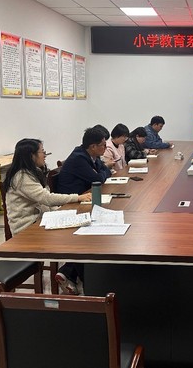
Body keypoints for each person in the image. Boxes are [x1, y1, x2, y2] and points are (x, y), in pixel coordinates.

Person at [54, 125, 112, 294]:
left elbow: (103, 170)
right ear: (92, 146)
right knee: (96, 228)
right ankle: (90, 279)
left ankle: (68, 272)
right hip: (72, 203)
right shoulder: (79, 158)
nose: (105, 147)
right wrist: (102, 172)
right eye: (103, 144)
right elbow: (98, 178)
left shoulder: (91, 155)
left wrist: (102, 171)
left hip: (84, 197)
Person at [3, 138, 91, 236]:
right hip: (27, 229)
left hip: (41, 220)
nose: (45, 155)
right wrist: (77, 197)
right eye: (42, 152)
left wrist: (60, 212)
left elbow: (45, 202)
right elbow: (46, 198)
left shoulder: (34, 171)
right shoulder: (21, 176)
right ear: (31, 155)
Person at [56, 125, 112, 195]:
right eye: (103, 145)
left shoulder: (93, 155)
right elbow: (98, 180)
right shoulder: (78, 158)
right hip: (73, 198)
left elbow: (107, 170)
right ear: (93, 147)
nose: (106, 148)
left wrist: (100, 173)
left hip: (85, 193)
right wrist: (101, 173)